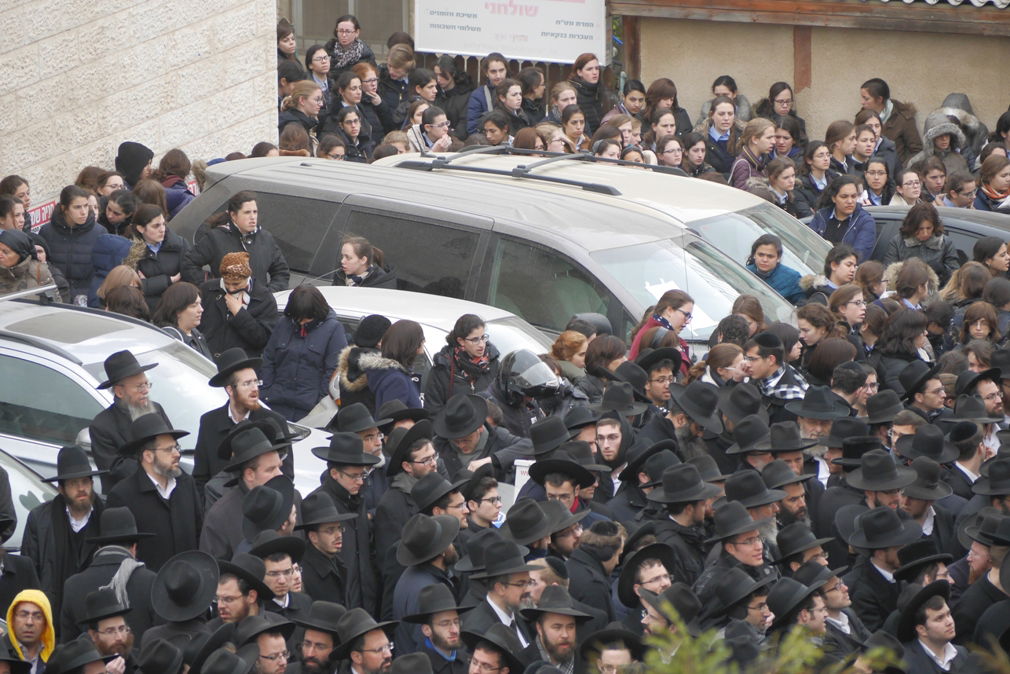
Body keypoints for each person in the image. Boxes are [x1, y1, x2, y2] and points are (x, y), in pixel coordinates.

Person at [106, 414, 202, 572]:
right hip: (147, 589)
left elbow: (199, 533)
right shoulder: (122, 495)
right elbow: (120, 555)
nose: (177, 454)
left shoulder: (186, 484)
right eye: (168, 449)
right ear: (148, 456)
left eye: (176, 447)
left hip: (188, 586)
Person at [22, 446, 106, 625]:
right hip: (53, 618)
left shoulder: (106, 514)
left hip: (96, 618)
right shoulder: (40, 519)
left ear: (92, 483)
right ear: (61, 488)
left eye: (85, 482)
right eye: (73, 483)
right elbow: (29, 573)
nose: (81, 489)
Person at [60, 507, 158, 642]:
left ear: (99, 548)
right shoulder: (151, 582)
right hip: (142, 662)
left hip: (93, 663)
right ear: (134, 548)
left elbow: (68, 646)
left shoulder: (72, 586)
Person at [308, 433, 381, 614]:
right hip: (337, 603)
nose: (360, 481)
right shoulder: (317, 504)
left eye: (362, 475)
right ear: (334, 474)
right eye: (354, 476)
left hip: (365, 601)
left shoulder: (357, 499)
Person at [199, 422, 288, 560]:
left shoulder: (293, 498)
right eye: (270, 469)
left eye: (279, 466)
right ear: (249, 475)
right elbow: (215, 570)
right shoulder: (220, 516)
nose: (280, 474)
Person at [88, 349, 172, 492]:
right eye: (139, 386)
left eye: (146, 384)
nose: (145, 390)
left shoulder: (156, 409)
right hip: (130, 499)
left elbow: (171, 443)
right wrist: (158, 463)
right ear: (120, 392)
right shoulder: (102, 426)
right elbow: (118, 469)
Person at [261, 285, 347, 422]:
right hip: (275, 403)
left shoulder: (333, 329)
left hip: (310, 410)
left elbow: (333, 371)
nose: (302, 322)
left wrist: (320, 402)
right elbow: (269, 359)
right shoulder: (284, 324)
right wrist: (265, 392)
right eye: (298, 318)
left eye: (307, 319)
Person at [182, 191, 289, 292]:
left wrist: (269, 293)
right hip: (225, 305)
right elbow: (188, 264)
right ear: (233, 215)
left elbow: (281, 272)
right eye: (247, 212)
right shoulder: (216, 238)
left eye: (255, 212)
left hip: (258, 306)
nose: (252, 217)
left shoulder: (266, 238)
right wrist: (214, 287)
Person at [198, 252, 279, 359]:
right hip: (206, 359)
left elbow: (262, 340)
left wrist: (239, 314)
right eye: (226, 283)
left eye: (236, 284)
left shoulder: (264, 298)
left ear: (247, 278)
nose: (231, 288)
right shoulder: (207, 289)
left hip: (239, 364)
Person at [37, 184, 107, 305]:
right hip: (57, 295)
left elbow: (103, 270)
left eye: (86, 206)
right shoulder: (47, 231)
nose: (84, 212)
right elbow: (44, 264)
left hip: (88, 298)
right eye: (77, 207)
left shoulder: (99, 232)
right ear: (64, 208)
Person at [423, 314, 500, 415]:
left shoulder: (493, 364)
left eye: (483, 337)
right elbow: (432, 411)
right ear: (461, 341)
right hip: (455, 428)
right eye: (475, 340)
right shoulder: (443, 369)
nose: (481, 344)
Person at [124, 203, 187, 311]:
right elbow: (133, 287)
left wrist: (149, 283)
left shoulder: (179, 244)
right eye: (156, 226)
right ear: (140, 228)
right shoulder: (130, 251)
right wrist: (170, 280)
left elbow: (189, 277)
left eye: (163, 224)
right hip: (145, 310)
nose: (162, 229)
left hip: (177, 307)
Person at [897, 581, 972, 671]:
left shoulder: (962, 654)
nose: (949, 622)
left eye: (948, 614)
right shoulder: (905, 664)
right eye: (939, 618)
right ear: (922, 629)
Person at [881, 202, 959, 287]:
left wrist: (944, 271)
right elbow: (888, 275)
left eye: (929, 228)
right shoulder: (897, 242)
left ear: (935, 226)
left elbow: (956, 277)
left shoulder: (945, 243)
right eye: (920, 229)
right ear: (912, 227)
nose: (925, 233)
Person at [808, 176, 876, 262]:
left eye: (854, 196)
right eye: (844, 197)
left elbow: (859, 255)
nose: (850, 201)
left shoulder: (865, 221)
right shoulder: (821, 216)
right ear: (834, 198)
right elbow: (807, 244)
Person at [858, 77, 922, 165]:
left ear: (879, 99)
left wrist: (903, 170)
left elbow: (917, 151)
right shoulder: (862, 117)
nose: (862, 102)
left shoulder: (903, 118)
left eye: (866, 99)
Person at [81, 588, 134, 672]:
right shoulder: (84, 667)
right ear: (93, 635)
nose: (119, 637)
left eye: (122, 629)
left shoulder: (139, 661)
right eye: (110, 631)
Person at [746, 234, 805, 305]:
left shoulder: (793, 278)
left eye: (770, 256)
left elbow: (802, 308)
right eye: (761, 255)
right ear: (754, 255)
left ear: (778, 258)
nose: (764, 260)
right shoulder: (746, 272)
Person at [6, 592, 53, 673]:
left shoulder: (56, 659)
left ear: (46, 623)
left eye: (37, 616)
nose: (29, 622)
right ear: (12, 619)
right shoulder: (2, 652)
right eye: (23, 615)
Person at [0, 229, 54, 297]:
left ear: (21, 255)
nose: (0, 254)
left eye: (5, 252)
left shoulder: (39, 271)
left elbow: (54, 303)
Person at [466, 52, 509, 137]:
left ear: (506, 70)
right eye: (493, 72)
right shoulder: (478, 95)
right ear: (486, 73)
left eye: (501, 70)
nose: (498, 76)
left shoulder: (515, 91)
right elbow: (472, 128)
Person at [568, 53, 611, 136]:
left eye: (597, 68)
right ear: (579, 72)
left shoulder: (600, 90)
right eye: (589, 69)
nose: (595, 72)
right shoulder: (572, 93)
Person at [698, 95, 740, 175]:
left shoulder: (742, 137)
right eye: (721, 114)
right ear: (712, 115)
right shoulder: (702, 139)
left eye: (730, 114)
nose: (726, 118)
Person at [730, 118, 775, 191]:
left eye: (774, 137)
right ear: (755, 139)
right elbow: (742, 196)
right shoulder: (742, 164)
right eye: (769, 138)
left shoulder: (763, 161)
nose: (774, 141)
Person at [279, 81, 323, 154]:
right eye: (317, 99)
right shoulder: (293, 127)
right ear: (302, 100)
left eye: (321, 99)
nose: (321, 104)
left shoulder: (303, 123)